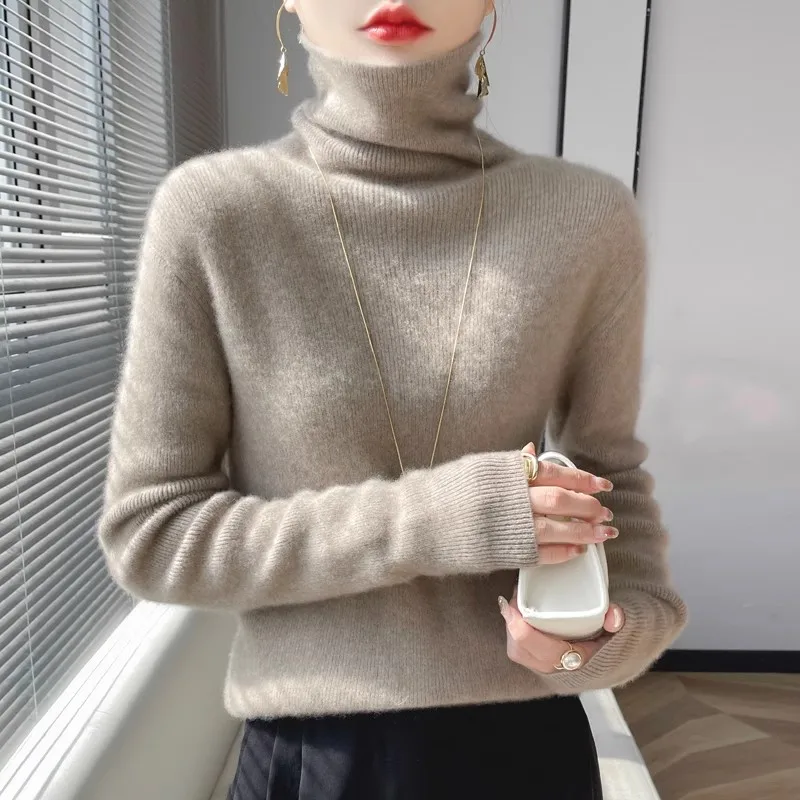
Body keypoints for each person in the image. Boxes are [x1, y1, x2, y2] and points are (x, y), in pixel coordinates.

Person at [98, 1, 687, 797]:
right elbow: (153, 534)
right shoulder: (214, 213)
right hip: (314, 756)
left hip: (526, 745)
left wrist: (604, 641)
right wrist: (444, 519)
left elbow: (612, 483)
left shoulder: (585, 215)